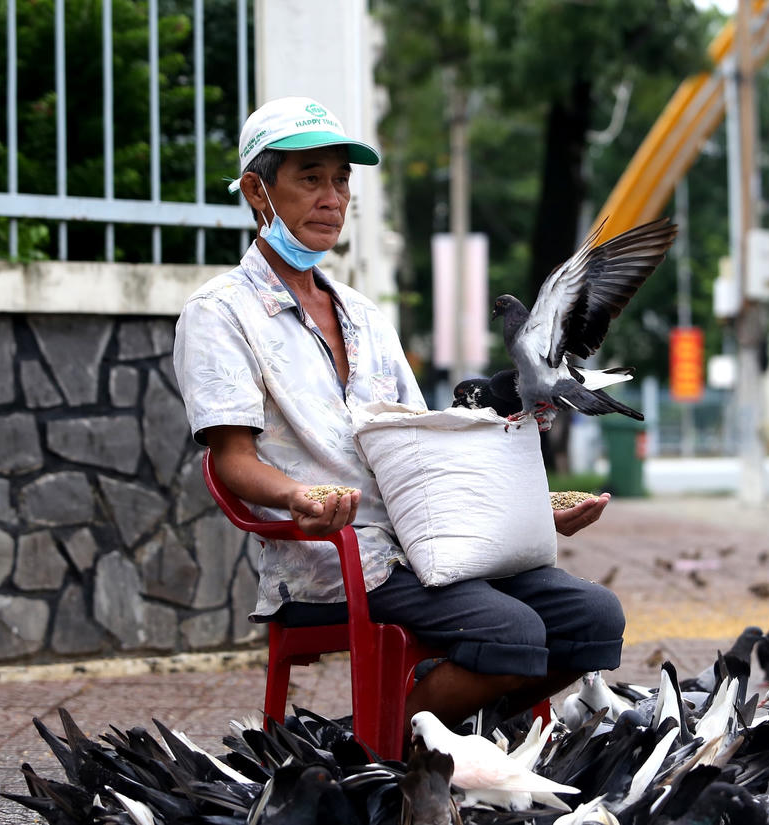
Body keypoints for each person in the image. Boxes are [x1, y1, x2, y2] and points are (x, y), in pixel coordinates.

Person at [173, 96, 625, 740]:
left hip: (433, 541)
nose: (332, 197)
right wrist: (300, 496)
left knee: (593, 617)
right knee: (514, 634)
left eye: (341, 179)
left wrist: (526, 509)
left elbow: (425, 446)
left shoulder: (364, 314)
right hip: (340, 555)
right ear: (256, 191)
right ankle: (370, 740)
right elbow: (232, 460)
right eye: (310, 179)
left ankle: (439, 733)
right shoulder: (218, 313)